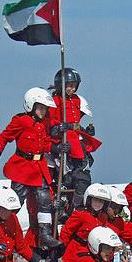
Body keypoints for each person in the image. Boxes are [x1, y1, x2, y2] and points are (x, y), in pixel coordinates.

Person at [0, 87, 63, 251]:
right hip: (22, 167)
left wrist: (59, 147)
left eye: (45, 108)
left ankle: (45, 235)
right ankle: (0, 230)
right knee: (14, 203)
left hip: (39, 167)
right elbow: (5, 137)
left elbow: (46, 143)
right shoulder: (21, 121)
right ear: (31, 106)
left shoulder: (43, 125)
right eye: (40, 107)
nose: (43, 111)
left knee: (45, 201)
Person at [47, 68, 101, 212]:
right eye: (68, 85)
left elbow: (76, 124)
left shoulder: (77, 100)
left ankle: (76, 208)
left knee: (83, 178)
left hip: (77, 141)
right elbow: (51, 126)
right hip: (63, 142)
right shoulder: (55, 101)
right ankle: (62, 206)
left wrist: (86, 131)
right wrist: (59, 127)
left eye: (74, 85)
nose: (71, 88)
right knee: (65, 177)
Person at [59, 183, 111, 260]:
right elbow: (67, 231)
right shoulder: (80, 214)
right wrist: (61, 249)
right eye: (96, 200)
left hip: (92, 253)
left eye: (101, 201)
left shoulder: (103, 218)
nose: (98, 204)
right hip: (75, 251)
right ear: (89, 200)